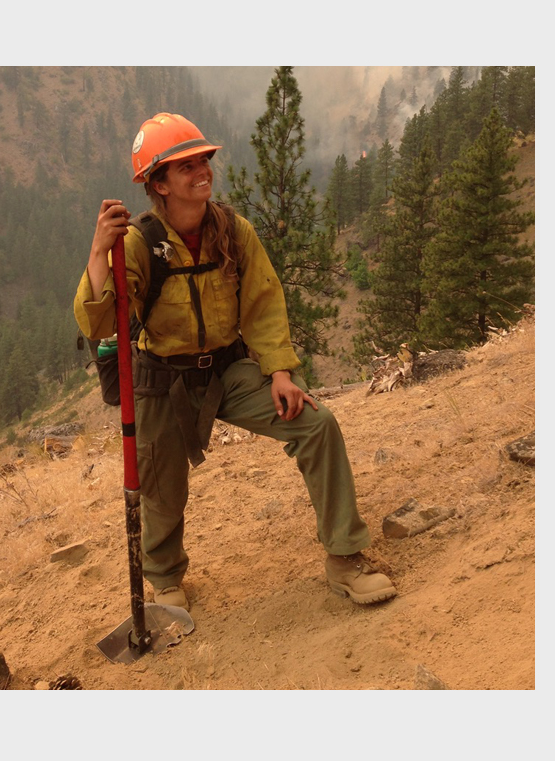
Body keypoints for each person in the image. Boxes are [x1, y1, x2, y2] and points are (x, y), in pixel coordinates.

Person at [72, 112, 396, 609]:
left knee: (316, 423)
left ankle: (345, 558)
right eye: (185, 166)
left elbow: (263, 304)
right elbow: (98, 324)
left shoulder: (232, 231)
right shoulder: (137, 244)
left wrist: (281, 373)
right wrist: (99, 253)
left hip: (228, 369)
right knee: (160, 484)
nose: (202, 170)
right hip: (163, 379)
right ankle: (164, 579)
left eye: (204, 159)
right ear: (158, 183)